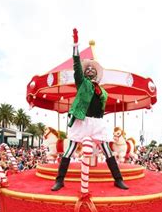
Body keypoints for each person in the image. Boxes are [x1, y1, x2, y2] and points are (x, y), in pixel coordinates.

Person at [51, 28, 128, 191]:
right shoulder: (82, 83)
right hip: (81, 121)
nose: (90, 70)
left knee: (107, 150)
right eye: (88, 69)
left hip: (97, 123)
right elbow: (77, 66)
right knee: (70, 150)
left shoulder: (102, 91)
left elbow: (100, 106)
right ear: (85, 73)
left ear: (96, 74)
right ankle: (59, 180)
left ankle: (118, 179)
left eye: (93, 69)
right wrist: (76, 45)